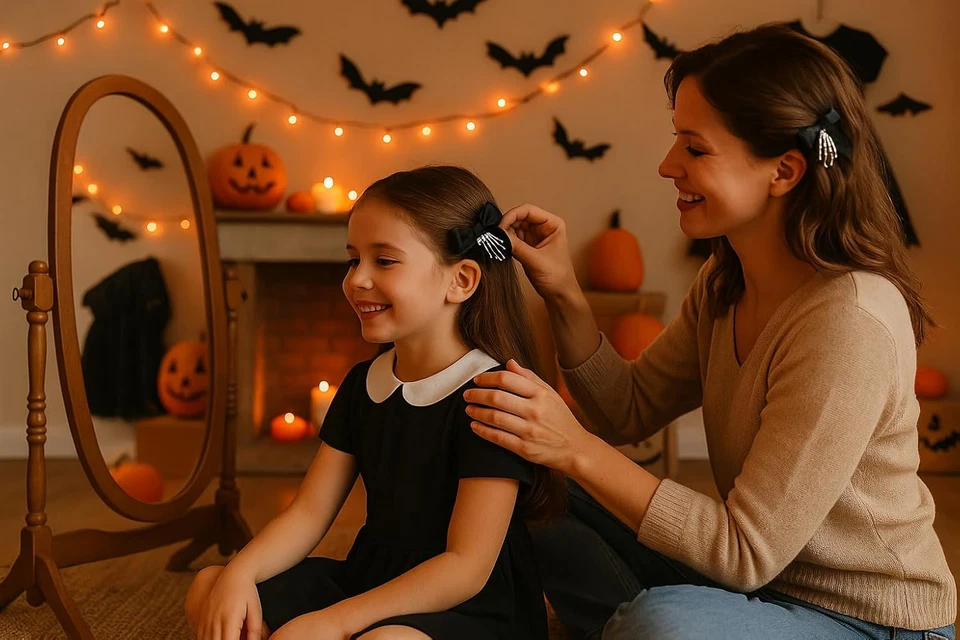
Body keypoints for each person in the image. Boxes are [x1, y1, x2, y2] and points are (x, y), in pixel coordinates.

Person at [464, 24, 957, 640]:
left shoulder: (847, 321)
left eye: (695, 149)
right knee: (528, 481)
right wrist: (562, 289)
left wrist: (575, 448)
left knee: (662, 624)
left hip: (869, 624)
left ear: (784, 170)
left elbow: (745, 551)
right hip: (757, 593)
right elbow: (624, 410)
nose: (667, 165)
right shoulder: (727, 281)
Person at [184, 165, 565, 640]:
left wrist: (334, 621)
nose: (357, 280)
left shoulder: (493, 396)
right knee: (212, 587)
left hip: (468, 605)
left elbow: (465, 566)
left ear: (461, 280)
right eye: (352, 260)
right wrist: (240, 573)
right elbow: (308, 513)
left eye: (383, 261)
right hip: (372, 582)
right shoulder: (363, 384)